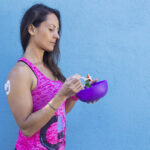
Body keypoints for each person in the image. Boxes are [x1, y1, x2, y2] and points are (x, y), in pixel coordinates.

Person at [4, 4, 98, 150]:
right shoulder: (21, 72)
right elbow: (27, 128)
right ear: (32, 29)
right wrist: (61, 95)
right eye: (51, 29)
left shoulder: (51, 69)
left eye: (57, 30)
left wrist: (77, 93)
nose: (57, 35)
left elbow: (59, 111)